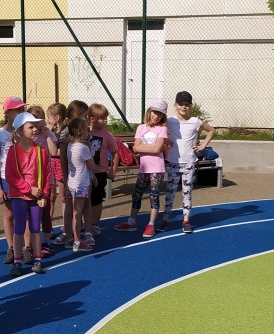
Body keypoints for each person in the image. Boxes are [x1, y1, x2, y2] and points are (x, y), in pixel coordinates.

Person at [160, 91, 216, 234]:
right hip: (173, 162)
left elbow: (211, 130)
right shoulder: (170, 121)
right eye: (181, 104)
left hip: (189, 163)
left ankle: (186, 221)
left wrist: (203, 145)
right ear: (175, 105)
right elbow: (158, 131)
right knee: (170, 192)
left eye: (186, 104)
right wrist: (165, 141)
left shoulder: (195, 121)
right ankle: (165, 219)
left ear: (190, 106)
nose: (184, 107)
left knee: (187, 192)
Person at [114, 99, 169, 238]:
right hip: (144, 168)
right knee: (136, 194)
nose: (156, 116)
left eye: (160, 114)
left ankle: (151, 224)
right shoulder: (141, 128)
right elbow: (135, 147)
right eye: (154, 112)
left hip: (157, 168)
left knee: (154, 196)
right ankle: (131, 222)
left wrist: (144, 148)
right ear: (149, 112)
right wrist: (151, 147)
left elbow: (157, 149)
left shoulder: (162, 129)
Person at [5, 111, 51, 276]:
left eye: (36, 127)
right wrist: (28, 188)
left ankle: (37, 259)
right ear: (20, 130)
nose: (35, 130)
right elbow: (10, 176)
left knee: (35, 228)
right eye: (31, 127)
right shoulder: (13, 151)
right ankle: (17, 261)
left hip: (36, 198)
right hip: (19, 196)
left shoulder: (41, 151)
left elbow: (46, 174)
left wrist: (44, 194)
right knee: (19, 228)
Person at [0, 96, 33, 266]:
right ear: (7, 112)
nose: (21, 112)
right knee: (10, 214)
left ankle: (27, 247)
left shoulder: (25, 132)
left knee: (27, 215)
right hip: (7, 180)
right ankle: (11, 247)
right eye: (18, 109)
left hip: (26, 178)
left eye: (23, 109)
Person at [55, 100, 90, 248]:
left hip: (83, 176)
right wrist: (65, 176)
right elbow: (63, 159)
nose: (86, 118)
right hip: (72, 178)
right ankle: (71, 237)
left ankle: (85, 233)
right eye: (84, 115)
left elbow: (88, 152)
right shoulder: (66, 134)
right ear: (76, 115)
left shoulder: (85, 132)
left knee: (83, 206)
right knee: (72, 209)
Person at [26, 105, 59, 259]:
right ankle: (30, 244)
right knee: (31, 213)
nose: (38, 127)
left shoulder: (47, 134)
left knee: (45, 211)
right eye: (35, 123)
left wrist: (47, 136)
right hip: (30, 180)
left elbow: (53, 152)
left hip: (46, 178)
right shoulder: (26, 135)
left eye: (41, 122)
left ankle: (45, 242)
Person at [86, 103, 120, 237]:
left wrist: (113, 170)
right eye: (102, 118)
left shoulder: (107, 135)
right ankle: (85, 223)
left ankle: (94, 224)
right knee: (84, 200)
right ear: (92, 119)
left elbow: (115, 153)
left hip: (100, 172)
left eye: (106, 118)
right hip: (85, 172)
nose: (105, 121)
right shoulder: (84, 131)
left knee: (96, 199)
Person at [66, 117, 96, 252]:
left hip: (72, 183)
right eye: (86, 128)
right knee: (77, 213)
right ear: (81, 131)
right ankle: (77, 241)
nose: (87, 131)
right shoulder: (83, 148)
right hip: (81, 184)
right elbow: (91, 165)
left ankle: (75, 239)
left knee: (76, 212)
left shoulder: (70, 145)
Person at [45, 102, 67, 241]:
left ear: (57, 117)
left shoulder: (65, 131)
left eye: (49, 117)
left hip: (61, 165)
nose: (48, 120)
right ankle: (49, 226)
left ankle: (66, 226)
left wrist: (58, 152)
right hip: (50, 165)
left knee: (63, 197)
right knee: (51, 197)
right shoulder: (50, 130)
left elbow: (59, 151)